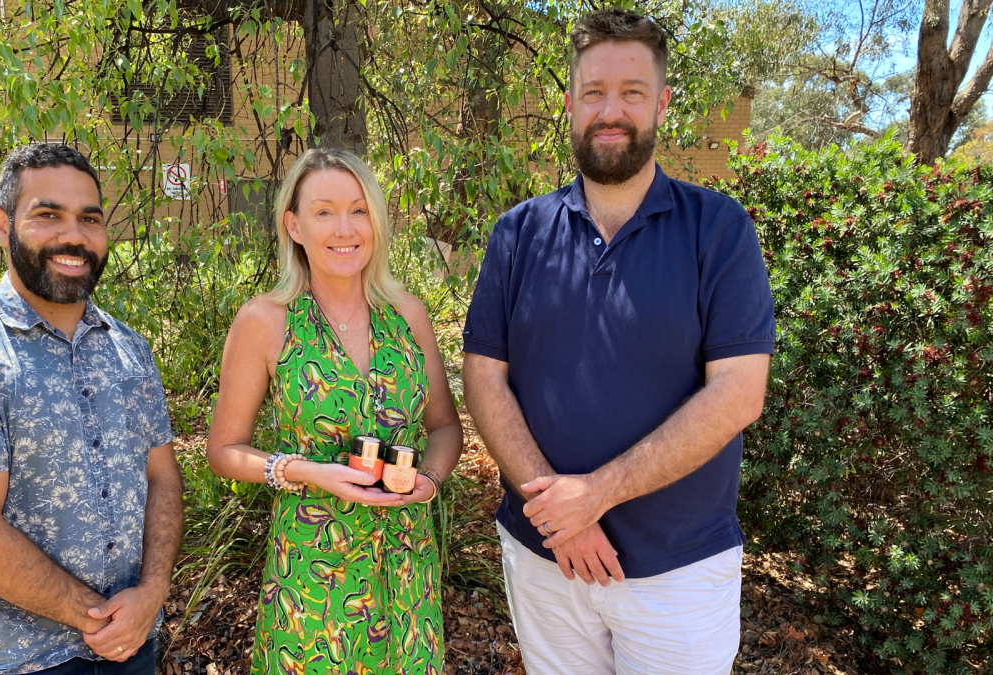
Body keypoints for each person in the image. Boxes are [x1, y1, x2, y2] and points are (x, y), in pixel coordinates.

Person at [461, 9, 775, 674]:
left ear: (660, 103)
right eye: (594, 92)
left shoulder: (718, 231)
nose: (611, 110)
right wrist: (560, 516)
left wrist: (594, 496)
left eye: (632, 92)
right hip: (545, 561)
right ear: (569, 103)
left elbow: (740, 392)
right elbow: (484, 376)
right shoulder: (517, 235)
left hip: (679, 573)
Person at [0, 143, 184, 675]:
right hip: (25, 662)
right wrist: (98, 618)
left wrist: (152, 592)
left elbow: (162, 477)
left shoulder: (129, 349)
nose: (73, 236)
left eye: (89, 219)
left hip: (136, 643)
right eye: (47, 215)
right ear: (2, 224)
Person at [207, 148, 463, 675]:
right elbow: (223, 451)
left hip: (406, 567)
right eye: (324, 211)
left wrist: (431, 481)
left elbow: (444, 426)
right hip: (313, 578)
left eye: (359, 210)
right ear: (294, 225)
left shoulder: (407, 315)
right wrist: (303, 471)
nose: (344, 228)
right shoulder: (266, 320)